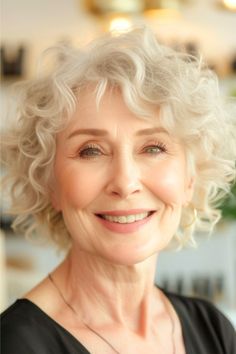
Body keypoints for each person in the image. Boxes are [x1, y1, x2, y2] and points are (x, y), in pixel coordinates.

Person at [1, 27, 236, 354]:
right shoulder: (15, 345)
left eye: (153, 148)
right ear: (49, 182)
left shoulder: (213, 330)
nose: (125, 182)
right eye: (91, 151)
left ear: (190, 177)